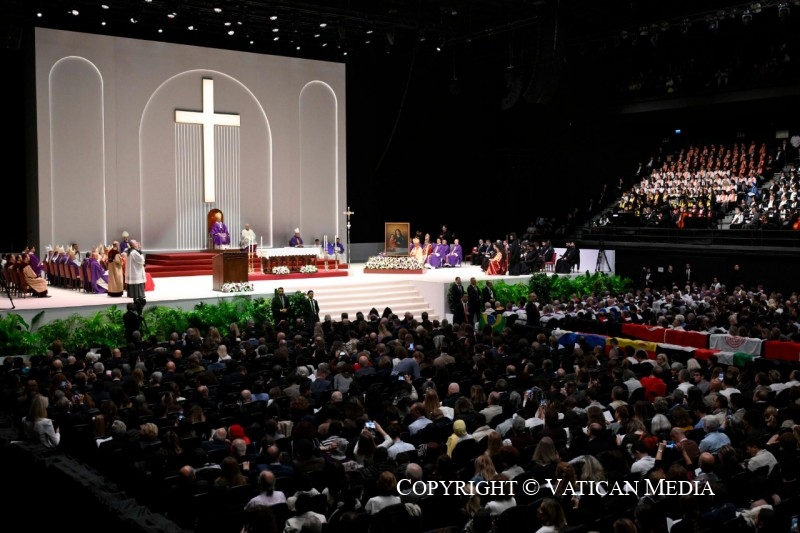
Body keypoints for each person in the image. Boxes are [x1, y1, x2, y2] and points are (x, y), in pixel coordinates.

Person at [124, 239, 146, 305]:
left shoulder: (130, 251)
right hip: (136, 271)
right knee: (137, 282)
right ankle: (138, 294)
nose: (137, 243)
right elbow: (142, 260)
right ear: (133, 244)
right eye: (136, 243)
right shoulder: (135, 252)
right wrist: (140, 252)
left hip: (133, 270)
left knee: (133, 282)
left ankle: (132, 294)